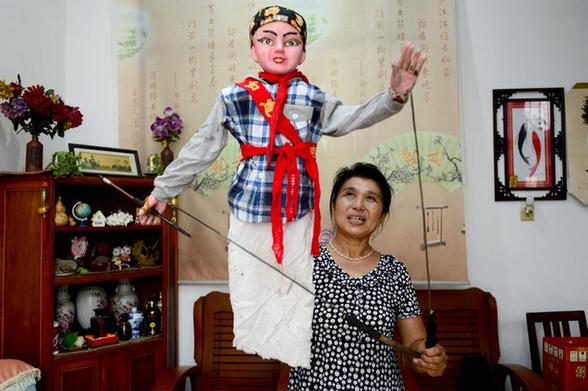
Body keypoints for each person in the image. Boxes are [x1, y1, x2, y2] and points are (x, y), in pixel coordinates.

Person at [137, 5, 427, 368]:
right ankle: (256, 343)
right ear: (252, 48)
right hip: (248, 209)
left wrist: (394, 97)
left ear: (303, 52)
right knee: (250, 284)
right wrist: (162, 191)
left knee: (296, 290)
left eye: (291, 42)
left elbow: (352, 117)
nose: (279, 48)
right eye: (267, 39)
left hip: (298, 210)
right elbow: (201, 148)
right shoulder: (234, 97)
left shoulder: (314, 98)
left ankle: (293, 358)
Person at [287, 162, 447, 389]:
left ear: (382, 216)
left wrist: (427, 357)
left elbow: (415, 343)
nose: (358, 206)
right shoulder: (304, 262)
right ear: (333, 205)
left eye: (371, 198)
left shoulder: (395, 272)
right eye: (349, 195)